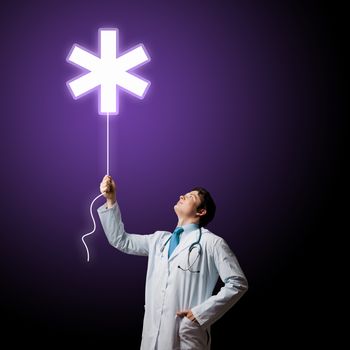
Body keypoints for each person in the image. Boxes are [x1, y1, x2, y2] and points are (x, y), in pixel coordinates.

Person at [97, 175, 248, 350]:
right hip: (152, 337)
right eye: (185, 194)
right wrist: (111, 199)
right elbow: (120, 240)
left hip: (184, 336)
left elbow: (238, 282)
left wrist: (200, 314)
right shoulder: (160, 240)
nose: (182, 196)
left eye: (190, 197)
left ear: (201, 212)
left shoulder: (212, 243)